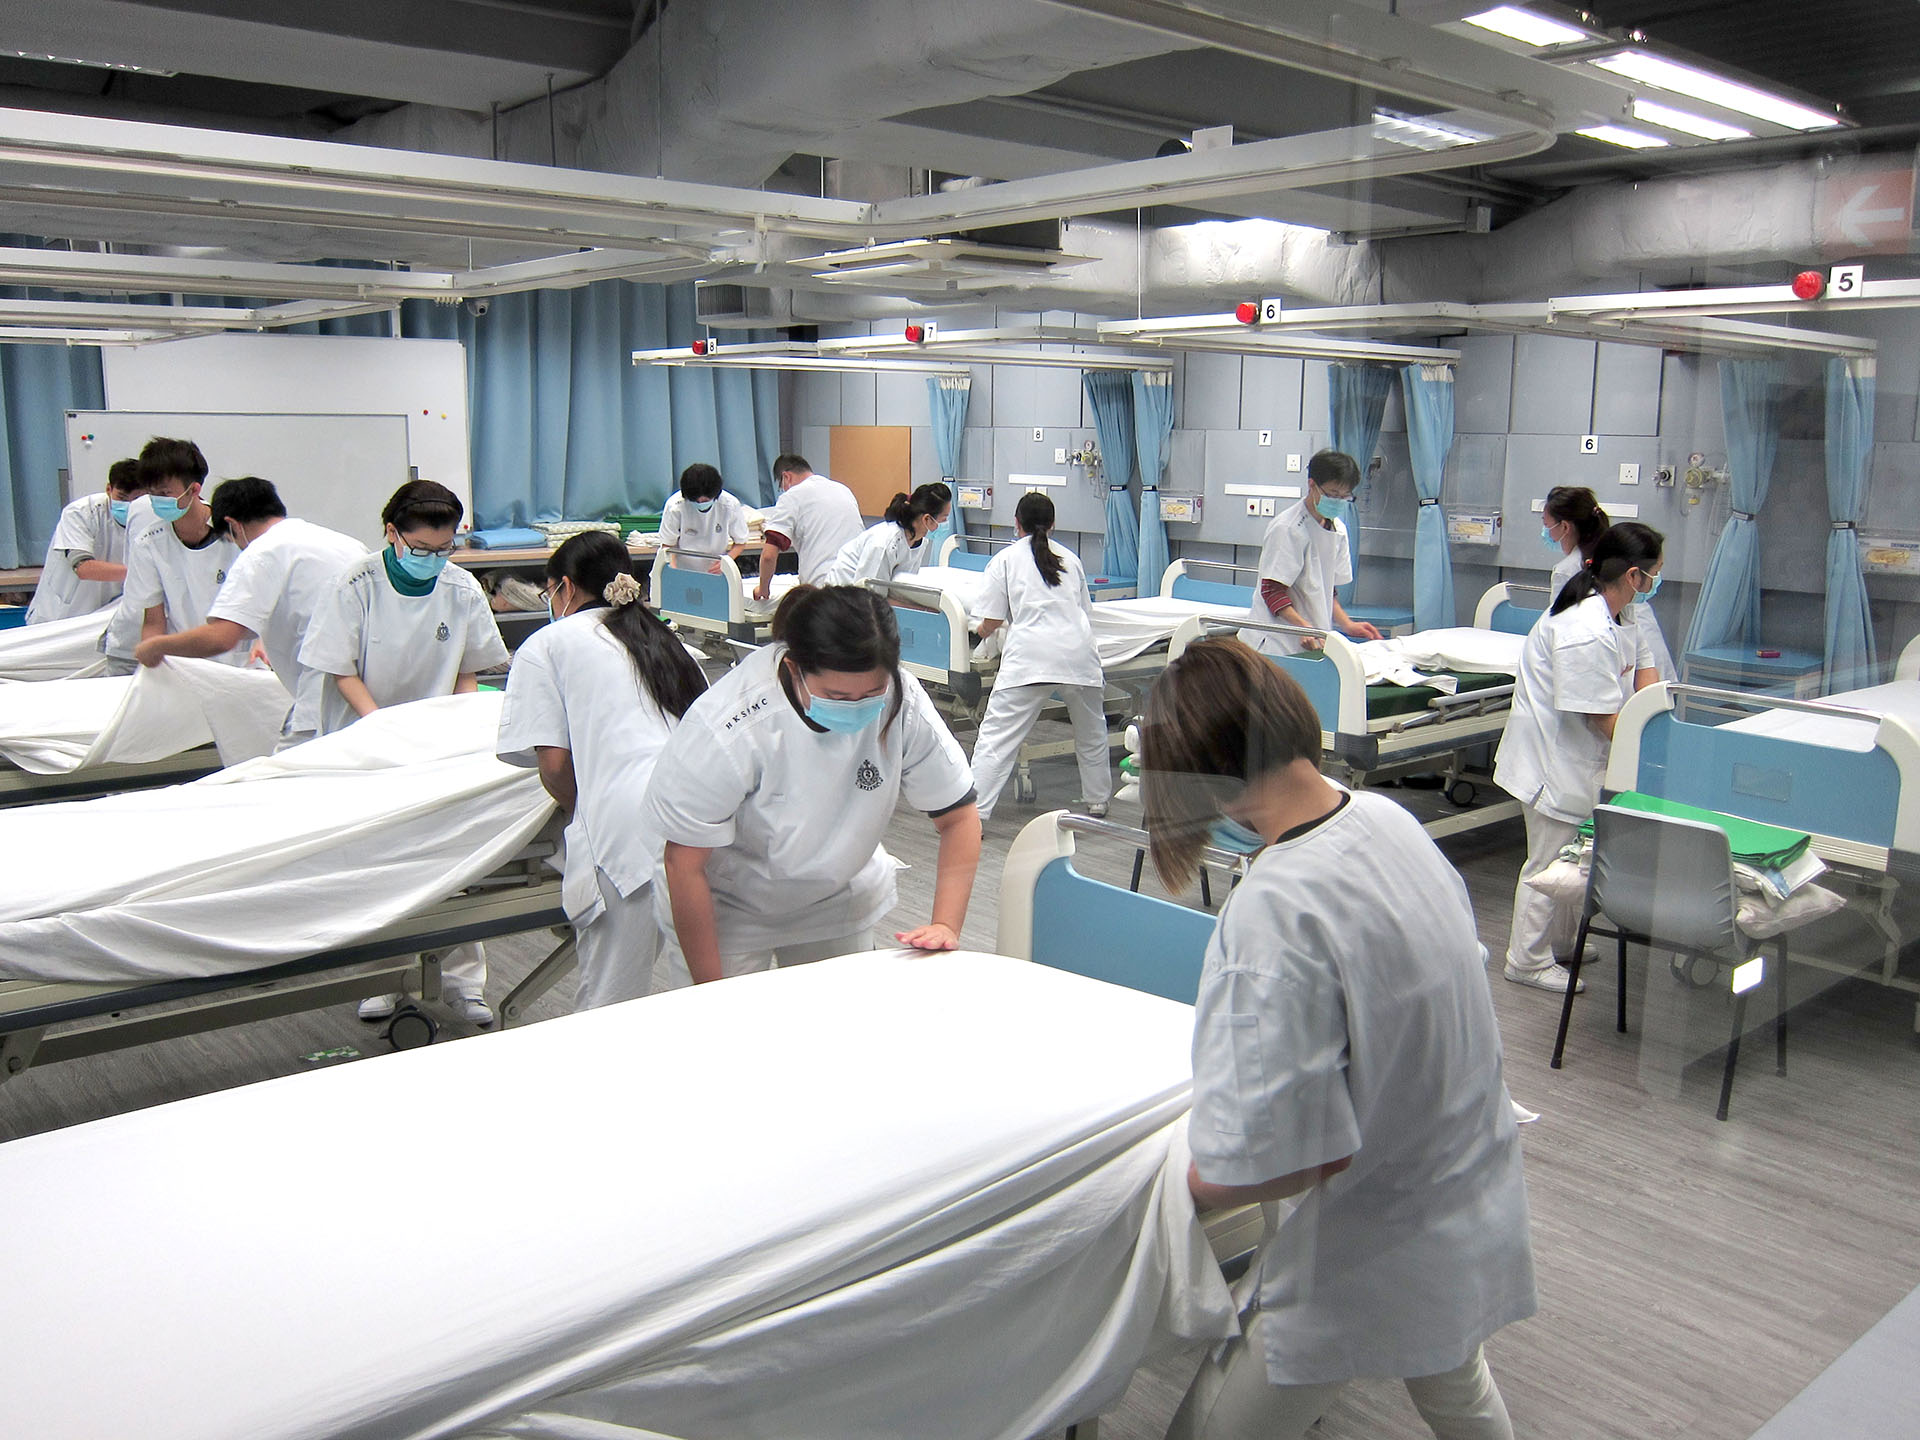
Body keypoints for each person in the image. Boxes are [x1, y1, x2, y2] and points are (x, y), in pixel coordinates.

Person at [1140, 637, 1534, 1440]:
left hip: (1365, 1237)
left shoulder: (1277, 907)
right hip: (1459, 1182)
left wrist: (1157, 1193)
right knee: (1454, 1380)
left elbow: (1287, 1157)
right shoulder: (1388, 820)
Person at [644, 583, 980, 988]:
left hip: (835, 895)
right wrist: (712, 993)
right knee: (729, 1023)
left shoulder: (901, 699)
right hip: (728, 906)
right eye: (837, 695)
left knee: (840, 1020)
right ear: (793, 669)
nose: (857, 706)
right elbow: (684, 863)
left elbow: (959, 817)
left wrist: (945, 924)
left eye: (872, 693)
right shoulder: (732, 724)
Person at [299, 479, 511, 1027]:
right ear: (392, 533)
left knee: (455, 859)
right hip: (367, 740)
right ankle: (386, 978)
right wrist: (383, 727)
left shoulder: (460, 588)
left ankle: (464, 982)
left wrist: (462, 727)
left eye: (444, 550)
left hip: (436, 743)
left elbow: (468, 670)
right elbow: (341, 669)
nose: (434, 560)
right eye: (422, 549)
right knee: (381, 864)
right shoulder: (355, 584)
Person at [497, 532, 708, 1009]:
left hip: (626, 831)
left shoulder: (548, 644)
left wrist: (585, 806)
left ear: (565, 587)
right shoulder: (667, 641)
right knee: (706, 984)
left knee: (611, 998)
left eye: (549, 592)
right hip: (703, 820)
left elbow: (554, 766)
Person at [1496, 521, 1665, 994]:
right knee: (1548, 864)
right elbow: (1599, 717)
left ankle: (1562, 943)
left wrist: (1648, 724)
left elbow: (1646, 672)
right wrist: (1645, 754)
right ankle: (1526, 960)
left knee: (1573, 857)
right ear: (1633, 575)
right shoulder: (1583, 629)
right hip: (1552, 764)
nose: (1656, 582)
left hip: (1579, 760)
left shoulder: (1623, 612)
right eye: (1654, 573)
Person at [131, 476, 366, 743]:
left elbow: (221, 637)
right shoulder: (345, 544)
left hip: (323, 698)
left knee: (287, 767)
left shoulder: (260, 553)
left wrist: (157, 646)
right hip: (372, 691)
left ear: (233, 525)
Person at [968, 491, 1112, 823]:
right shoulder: (1071, 559)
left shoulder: (1005, 560)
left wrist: (977, 631)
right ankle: (1098, 802)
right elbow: (1084, 612)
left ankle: (974, 815)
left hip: (1030, 659)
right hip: (1079, 657)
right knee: (1092, 733)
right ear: (1053, 524)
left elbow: (991, 621)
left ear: (1016, 523)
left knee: (996, 740)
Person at [103, 437, 244, 674]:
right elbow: (153, 620)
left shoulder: (234, 533)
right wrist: (151, 667)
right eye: (152, 494)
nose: (157, 500)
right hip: (185, 662)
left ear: (194, 490)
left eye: (165, 493)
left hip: (239, 660)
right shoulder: (149, 543)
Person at [1243, 449, 1382, 656]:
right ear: (1312, 485)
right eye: (1333, 494)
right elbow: (1272, 591)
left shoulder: (1338, 530)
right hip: (1276, 640)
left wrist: (1347, 624)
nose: (1338, 501)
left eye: (1344, 496)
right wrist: (1302, 626)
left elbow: (1326, 589)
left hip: (1313, 637)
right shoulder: (1288, 528)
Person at [25, 458, 147, 624]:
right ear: (109, 489)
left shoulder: (149, 518)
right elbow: (84, 568)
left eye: (137, 499)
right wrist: (142, 572)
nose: (130, 505)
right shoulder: (80, 513)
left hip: (106, 613)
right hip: (61, 614)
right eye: (122, 498)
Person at [752, 453, 863, 600]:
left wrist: (763, 589)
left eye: (781, 486)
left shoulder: (792, 496)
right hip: (858, 585)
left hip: (823, 589)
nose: (784, 490)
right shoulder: (843, 490)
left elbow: (768, 556)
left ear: (786, 477)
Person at [821, 483, 952, 587]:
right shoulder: (883, 543)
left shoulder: (920, 542)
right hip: (842, 597)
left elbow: (904, 586)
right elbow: (870, 592)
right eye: (944, 518)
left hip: (871, 598)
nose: (946, 523)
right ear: (927, 519)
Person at [657, 462, 750, 575]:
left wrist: (727, 561)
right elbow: (667, 544)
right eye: (696, 501)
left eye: (705, 500)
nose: (701, 503)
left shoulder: (729, 505)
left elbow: (741, 542)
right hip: (680, 567)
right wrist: (674, 571)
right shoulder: (675, 506)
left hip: (714, 570)